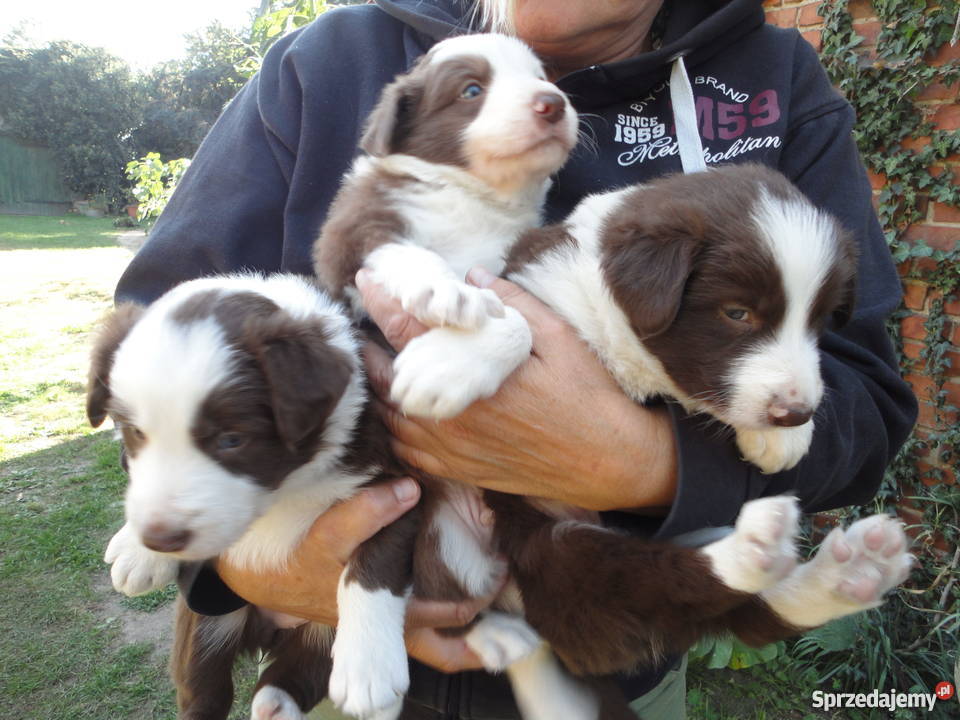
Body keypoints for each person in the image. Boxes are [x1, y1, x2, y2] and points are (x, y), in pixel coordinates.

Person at [114, 1, 918, 717]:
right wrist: (248, 570)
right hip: (354, 652)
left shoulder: (774, 78)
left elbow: (864, 403)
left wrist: (641, 464)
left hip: (585, 616)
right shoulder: (328, 62)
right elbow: (155, 344)